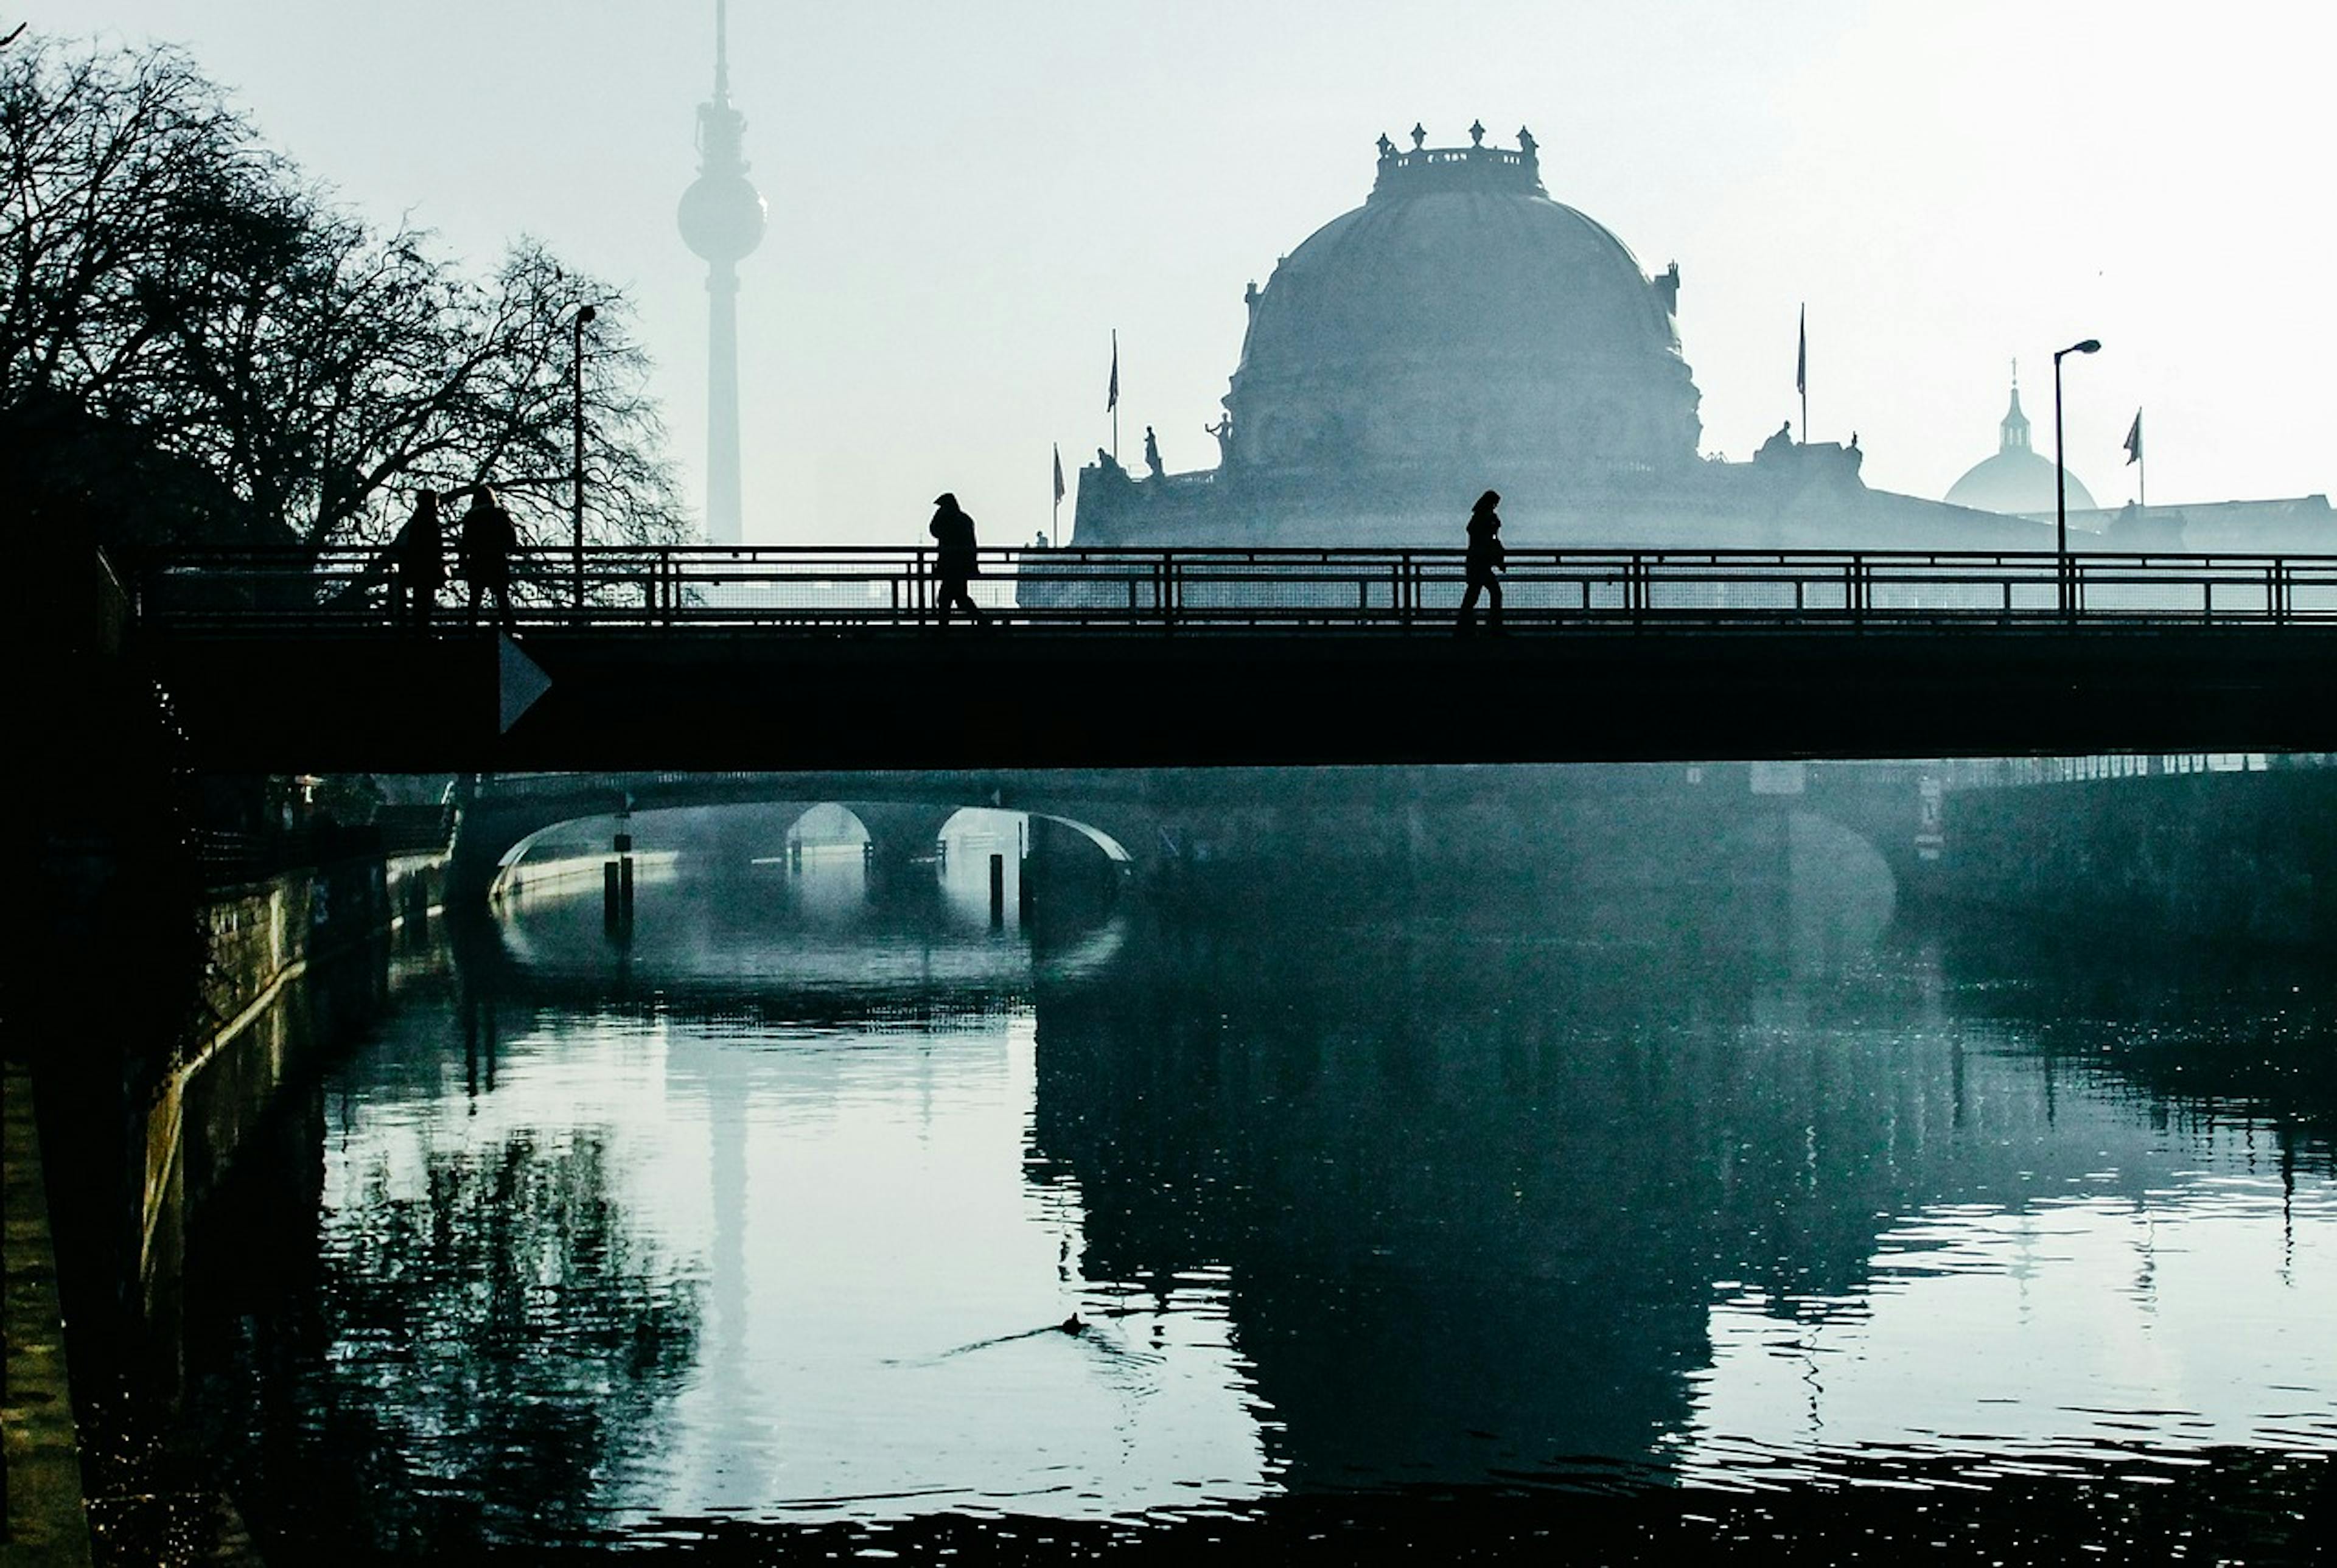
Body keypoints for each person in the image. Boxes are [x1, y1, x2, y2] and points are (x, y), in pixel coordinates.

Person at [457, 484, 519, 630]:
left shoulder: (471, 517)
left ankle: (471, 631)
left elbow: (465, 542)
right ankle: (511, 629)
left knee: (475, 600)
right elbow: (511, 539)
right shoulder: (500, 514)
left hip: (477, 562)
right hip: (497, 560)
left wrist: (462, 561)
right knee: (503, 598)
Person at [928, 492, 987, 627]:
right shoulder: (966, 520)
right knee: (959, 598)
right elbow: (972, 545)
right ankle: (983, 622)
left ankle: (944, 630)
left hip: (949, 567)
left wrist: (939, 515)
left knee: (946, 599)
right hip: (963, 567)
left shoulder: (947, 520)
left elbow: (934, 531)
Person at [393, 488, 446, 627]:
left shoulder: (416, 521)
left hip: (417, 567)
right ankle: (423, 631)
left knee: (420, 601)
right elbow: (435, 546)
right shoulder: (430, 522)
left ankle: (419, 630)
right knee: (426, 602)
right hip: (427, 567)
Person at [1456, 489, 1506, 635]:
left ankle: (1463, 627)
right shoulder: (1482, 519)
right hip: (1481, 564)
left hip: (1476, 563)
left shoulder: (1478, 518)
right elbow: (1490, 539)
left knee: (1473, 595)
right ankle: (1495, 627)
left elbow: (1489, 538)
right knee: (1492, 593)